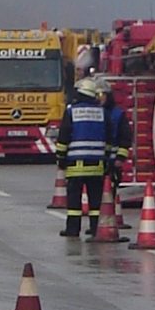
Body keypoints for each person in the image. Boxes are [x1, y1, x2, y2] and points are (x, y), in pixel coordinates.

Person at [55, 77, 110, 237]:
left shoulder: (71, 111)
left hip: (75, 166)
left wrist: (60, 157)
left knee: (74, 201)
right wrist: (108, 160)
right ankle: (95, 228)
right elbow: (108, 138)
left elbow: (63, 136)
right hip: (97, 165)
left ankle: (73, 229)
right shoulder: (102, 112)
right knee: (95, 202)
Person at [95, 77, 132, 198]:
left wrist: (120, 158)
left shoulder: (117, 114)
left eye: (101, 94)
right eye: (96, 95)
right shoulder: (92, 113)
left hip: (112, 162)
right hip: (94, 162)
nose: (99, 98)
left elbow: (126, 138)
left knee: (110, 194)